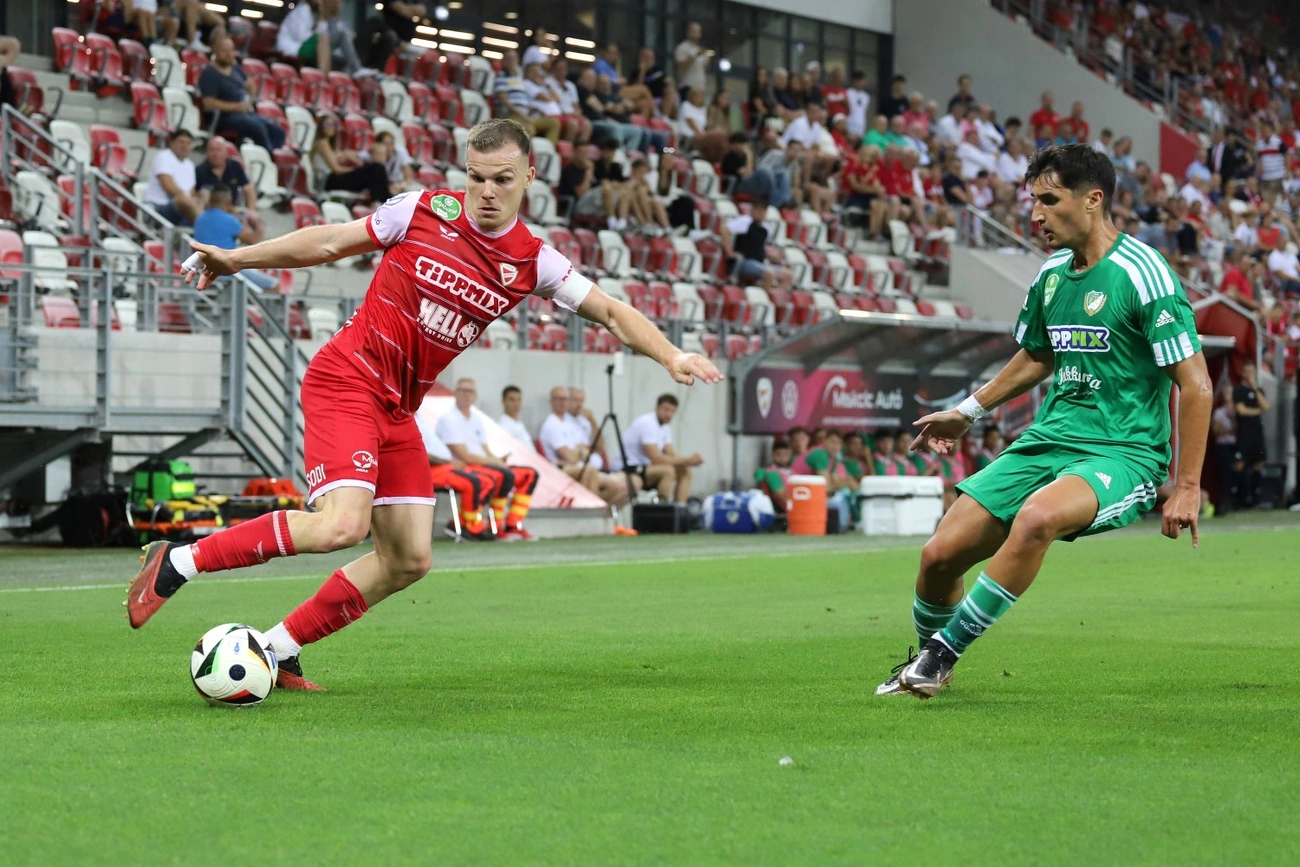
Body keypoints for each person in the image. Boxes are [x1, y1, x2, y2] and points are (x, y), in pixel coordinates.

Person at [126, 119, 723, 688]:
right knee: (342, 526)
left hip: (397, 410)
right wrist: (238, 258)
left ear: (530, 177)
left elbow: (613, 311)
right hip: (346, 380)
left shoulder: (533, 261)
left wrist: (671, 356)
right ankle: (179, 561)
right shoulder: (419, 210)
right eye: (476, 177)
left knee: (409, 558)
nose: (486, 192)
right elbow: (329, 241)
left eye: (502, 180)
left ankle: (278, 649)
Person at [877, 143, 1212, 699]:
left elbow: (1195, 383)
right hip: (1048, 441)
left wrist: (1189, 485)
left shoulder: (1144, 273)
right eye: (1033, 200)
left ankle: (939, 656)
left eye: (1049, 200)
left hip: (1122, 453)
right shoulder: (1053, 273)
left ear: (1093, 200)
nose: (1035, 215)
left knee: (1036, 519)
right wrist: (967, 412)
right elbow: (1038, 355)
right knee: (938, 557)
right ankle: (933, 663)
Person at [436, 378, 539, 541]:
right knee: (502, 475)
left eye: (470, 391)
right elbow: (465, 456)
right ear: (455, 393)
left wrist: (497, 459)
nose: (466, 394)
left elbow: (485, 449)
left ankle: (513, 524)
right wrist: (495, 463)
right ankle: (486, 526)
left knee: (529, 474)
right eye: (462, 390)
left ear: (475, 395)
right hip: (465, 467)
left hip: (485, 464)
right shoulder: (448, 419)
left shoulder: (476, 418)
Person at [198, 36, 286, 153]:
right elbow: (209, 103)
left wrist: (248, 101)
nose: (229, 54)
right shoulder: (210, 73)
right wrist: (235, 107)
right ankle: (268, 158)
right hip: (224, 117)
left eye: (231, 51)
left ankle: (273, 156)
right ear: (215, 51)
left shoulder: (236, 68)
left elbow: (250, 85)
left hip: (245, 113)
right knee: (257, 128)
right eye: (224, 51)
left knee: (278, 131)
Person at [415, 415, 496, 541]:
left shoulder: (419, 419)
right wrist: (446, 461)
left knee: (488, 481)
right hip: (432, 470)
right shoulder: (405, 419)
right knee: (472, 482)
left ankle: (462, 523)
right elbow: (418, 452)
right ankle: (467, 528)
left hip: (446, 465)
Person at [191, 186, 276, 291]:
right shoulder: (229, 220)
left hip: (203, 269)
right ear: (228, 203)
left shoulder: (200, 219)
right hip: (228, 271)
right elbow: (253, 240)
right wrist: (259, 227)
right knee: (274, 285)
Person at [623, 394, 700, 503]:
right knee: (667, 471)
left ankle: (680, 510)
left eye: (672, 411)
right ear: (657, 407)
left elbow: (672, 455)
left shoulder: (665, 427)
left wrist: (687, 462)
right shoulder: (647, 423)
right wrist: (687, 460)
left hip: (646, 468)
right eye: (666, 410)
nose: (669, 414)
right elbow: (656, 458)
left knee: (685, 471)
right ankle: (662, 511)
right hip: (631, 467)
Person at [311, 115, 391, 203]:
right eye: (327, 124)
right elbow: (336, 169)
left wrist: (350, 156)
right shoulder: (322, 143)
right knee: (376, 169)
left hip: (332, 179)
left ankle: (380, 200)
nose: (331, 127)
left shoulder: (330, 145)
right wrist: (355, 170)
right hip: (327, 181)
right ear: (321, 126)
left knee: (376, 171)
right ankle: (383, 200)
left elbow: (342, 155)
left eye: (333, 124)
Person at [144, 129, 201, 226]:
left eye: (188, 143)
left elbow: (191, 191)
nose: (185, 146)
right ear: (172, 143)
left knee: (207, 199)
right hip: (159, 207)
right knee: (182, 200)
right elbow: (169, 187)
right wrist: (189, 201)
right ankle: (206, 229)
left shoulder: (190, 164)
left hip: (183, 209)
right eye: (181, 142)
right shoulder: (163, 157)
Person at [1233, 362, 1269, 507]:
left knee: (1259, 463)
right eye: (1247, 371)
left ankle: (1255, 498)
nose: (1250, 375)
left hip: (1257, 433)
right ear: (1242, 372)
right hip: (1244, 433)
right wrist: (1257, 411)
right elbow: (1241, 410)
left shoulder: (1258, 389)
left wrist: (1254, 387)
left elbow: (1265, 406)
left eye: (1252, 371)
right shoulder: (1238, 390)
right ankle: (1236, 496)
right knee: (1240, 463)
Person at [195, 136, 257, 212]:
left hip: (232, 209)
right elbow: (195, 194)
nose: (215, 154)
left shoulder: (235, 166)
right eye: (212, 150)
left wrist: (251, 211)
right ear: (207, 152)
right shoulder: (200, 170)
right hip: (210, 211)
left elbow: (248, 189)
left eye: (219, 150)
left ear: (226, 152)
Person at [1210, 383, 1237, 515]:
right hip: (1223, 446)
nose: (1227, 396)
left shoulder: (1237, 410)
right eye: (1225, 393)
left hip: (1235, 446)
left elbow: (1239, 429)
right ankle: (1224, 503)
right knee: (1224, 475)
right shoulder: (1218, 412)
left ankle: (1238, 501)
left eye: (1229, 393)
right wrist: (1228, 430)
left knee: (1237, 474)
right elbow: (1216, 431)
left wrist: (1228, 427)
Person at [755, 437, 794, 510]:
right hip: (785, 510)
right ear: (772, 455)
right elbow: (780, 496)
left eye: (785, 454)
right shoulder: (772, 473)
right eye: (778, 454)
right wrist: (795, 507)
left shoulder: (792, 471)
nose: (782, 457)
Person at [673, 22, 708, 99]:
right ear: (688, 32)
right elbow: (679, 66)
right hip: (687, 87)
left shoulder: (700, 49)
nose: (696, 34)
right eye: (694, 31)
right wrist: (694, 57)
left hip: (700, 87)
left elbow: (704, 68)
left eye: (698, 32)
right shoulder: (682, 47)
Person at [497, 385, 536, 452]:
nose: (516, 404)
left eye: (519, 400)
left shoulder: (519, 423)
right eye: (512, 400)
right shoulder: (503, 427)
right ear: (503, 401)